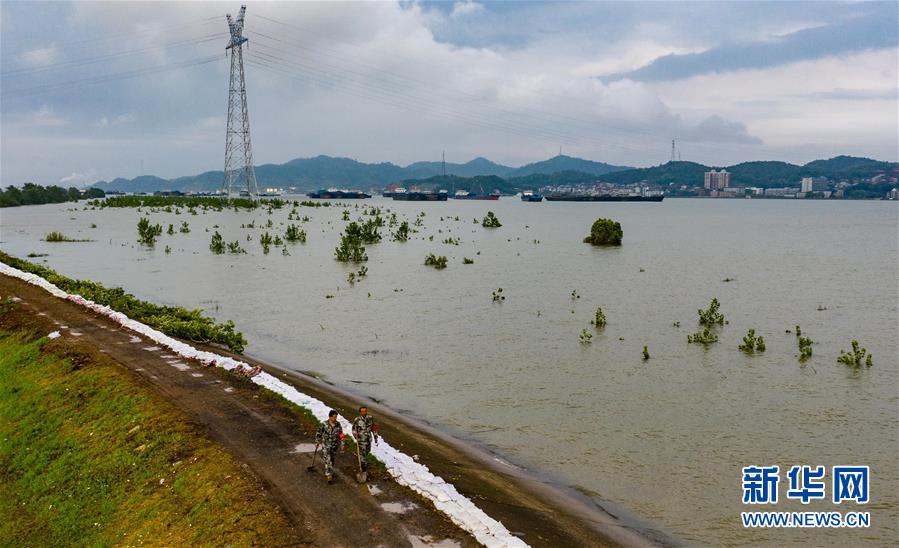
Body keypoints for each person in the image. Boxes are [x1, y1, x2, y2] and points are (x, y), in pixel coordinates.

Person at [315, 410, 345, 483]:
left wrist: (343, 443)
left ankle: (328, 470)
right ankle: (329, 476)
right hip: (326, 445)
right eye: (334, 417)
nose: (335, 418)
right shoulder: (324, 424)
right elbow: (319, 432)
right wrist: (317, 441)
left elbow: (341, 434)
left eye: (336, 417)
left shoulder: (338, 424)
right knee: (328, 460)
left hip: (334, 446)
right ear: (330, 417)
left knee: (332, 460)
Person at [351, 406, 378, 472]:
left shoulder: (370, 418)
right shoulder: (357, 419)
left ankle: (363, 462)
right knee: (362, 453)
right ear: (360, 412)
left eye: (365, 411)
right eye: (362, 411)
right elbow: (354, 429)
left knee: (367, 451)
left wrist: (375, 438)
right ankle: (363, 468)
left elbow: (373, 428)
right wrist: (356, 436)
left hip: (368, 439)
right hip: (361, 440)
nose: (364, 412)